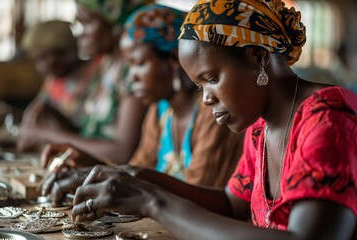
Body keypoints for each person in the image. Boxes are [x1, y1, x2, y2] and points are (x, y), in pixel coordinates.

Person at [70, 1, 357, 240]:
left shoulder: (327, 120)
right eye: (199, 86)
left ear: (258, 57)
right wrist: (137, 177)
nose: (206, 98)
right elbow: (231, 204)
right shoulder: (260, 127)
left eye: (212, 79)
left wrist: (153, 202)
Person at [41, 4, 244, 204]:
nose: (131, 78)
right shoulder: (161, 110)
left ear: (174, 59)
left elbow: (197, 202)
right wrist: (91, 164)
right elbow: (136, 172)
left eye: (139, 64)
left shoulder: (212, 111)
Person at [17, 0, 148, 166]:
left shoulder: (134, 73)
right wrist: (54, 114)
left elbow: (122, 152)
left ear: (115, 24)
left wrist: (48, 134)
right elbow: (89, 136)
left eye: (87, 23)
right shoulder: (104, 66)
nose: (80, 34)